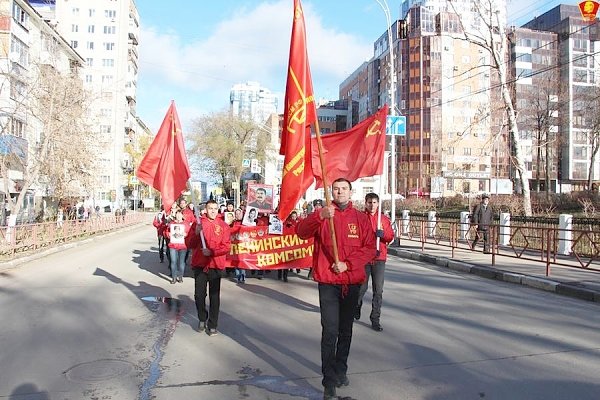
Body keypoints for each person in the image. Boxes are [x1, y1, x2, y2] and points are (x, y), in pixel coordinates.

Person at [296, 178, 376, 400]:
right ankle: (328, 380)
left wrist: (348, 264)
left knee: (345, 330)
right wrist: (318, 216)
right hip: (329, 282)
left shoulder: (360, 219)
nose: (339, 192)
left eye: (343, 189)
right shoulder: (323, 215)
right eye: (336, 189)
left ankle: (341, 369)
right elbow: (301, 232)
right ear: (331, 192)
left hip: (351, 282)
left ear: (351, 192)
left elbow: (370, 249)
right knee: (330, 331)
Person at [188, 200, 232, 336]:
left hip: (215, 265)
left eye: (215, 208)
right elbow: (189, 243)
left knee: (214, 296)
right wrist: (195, 233)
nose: (213, 211)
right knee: (199, 295)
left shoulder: (223, 226)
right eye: (210, 208)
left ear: (218, 210)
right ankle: (202, 317)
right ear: (205, 210)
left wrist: (212, 252)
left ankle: (213, 325)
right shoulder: (198, 224)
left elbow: (226, 246)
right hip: (200, 265)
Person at [355, 193, 395, 332]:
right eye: (369, 202)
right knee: (361, 287)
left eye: (374, 202)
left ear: (378, 204)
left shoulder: (383, 219)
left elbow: (390, 236)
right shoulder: (360, 218)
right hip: (365, 258)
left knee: (378, 290)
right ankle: (356, 306)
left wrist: (382, 235)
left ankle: (375, 319)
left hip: (379, 259)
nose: (372, 205)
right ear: (365, 203)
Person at [164, 210, 190, 284]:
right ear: (175, 215)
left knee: (181, 262)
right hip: (173, 245)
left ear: (182, 215)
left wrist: (186, 234)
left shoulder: (186, 224)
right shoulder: (171, 224)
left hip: (183, 246)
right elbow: (165, 233)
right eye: (177, 214)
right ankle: (174, 277)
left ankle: (181, 276)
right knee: (173, 261)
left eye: (180, 214)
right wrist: (169, 234)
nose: (178, 216)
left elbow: (190, 233)